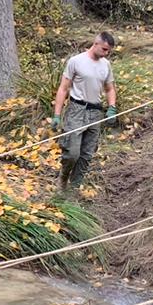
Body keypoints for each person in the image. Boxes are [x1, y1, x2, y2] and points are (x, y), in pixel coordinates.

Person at [51, 32, 118, 191]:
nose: (106, 53)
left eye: (108, 51)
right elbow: (63, 88)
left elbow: (109, 89)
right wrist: (57, 115)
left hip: (95, 112)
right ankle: (63, 178)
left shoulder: (106, 65)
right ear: (95, 44)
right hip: (77, 110)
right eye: (104, 49)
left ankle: (74, 188)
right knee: (72, 152)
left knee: (86, 155)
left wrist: (112, 108)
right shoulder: (76, 61)